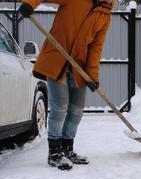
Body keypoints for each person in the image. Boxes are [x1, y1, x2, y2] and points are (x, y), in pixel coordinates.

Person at [18, 0, 114, 170]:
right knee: (60, 107)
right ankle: (54, 153)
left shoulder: (105, 15)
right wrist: (29, 4)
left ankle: (67, 149)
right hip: (57, 59)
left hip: (79, 68)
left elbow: (95, 48)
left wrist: (93, 76)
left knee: (77, 110)